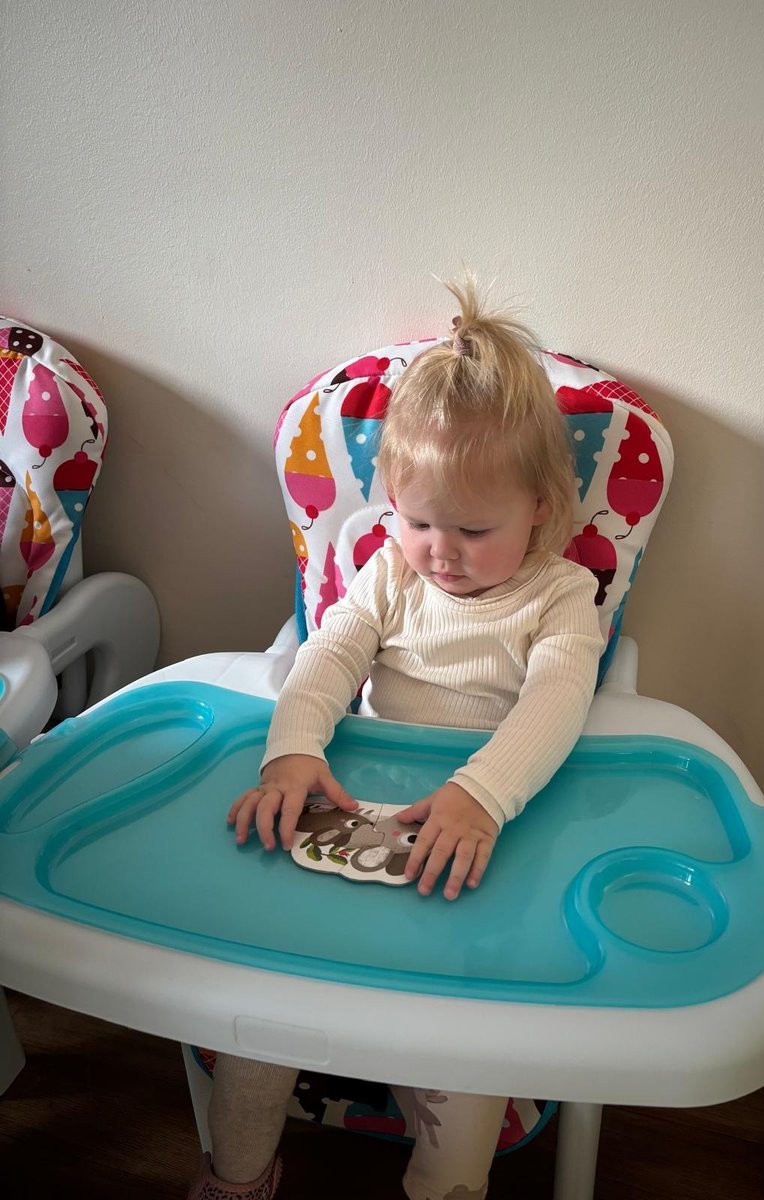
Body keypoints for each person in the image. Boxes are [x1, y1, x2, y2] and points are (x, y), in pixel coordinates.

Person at [187, 278, 605, 1200]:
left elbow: (558, 700)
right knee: (257, 1014)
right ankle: (236, 1177)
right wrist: (294, 750)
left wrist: (482, 794)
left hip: (475, 842)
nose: (439, 551)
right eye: (416, 521)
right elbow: (330, 653)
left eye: (473, 528)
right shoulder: (391, 575)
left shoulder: (560, 597)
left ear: (541, 505)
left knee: (465, 1057)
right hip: (359, 815)